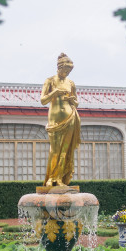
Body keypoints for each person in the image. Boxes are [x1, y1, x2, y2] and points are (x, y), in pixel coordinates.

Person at [41, 53, 81, 186]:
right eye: (65, 70)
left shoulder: (71, 83)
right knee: (54, 150)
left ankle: (59, 179)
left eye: (69, 71)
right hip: (55, 121)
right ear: (59, 68)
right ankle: (51, 178)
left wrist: (72, 100)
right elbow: (43, 100)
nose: (67, 73)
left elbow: (76, 102)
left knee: (65, 150)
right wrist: (54, 93)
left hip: (70, 118)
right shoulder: (50, 81)